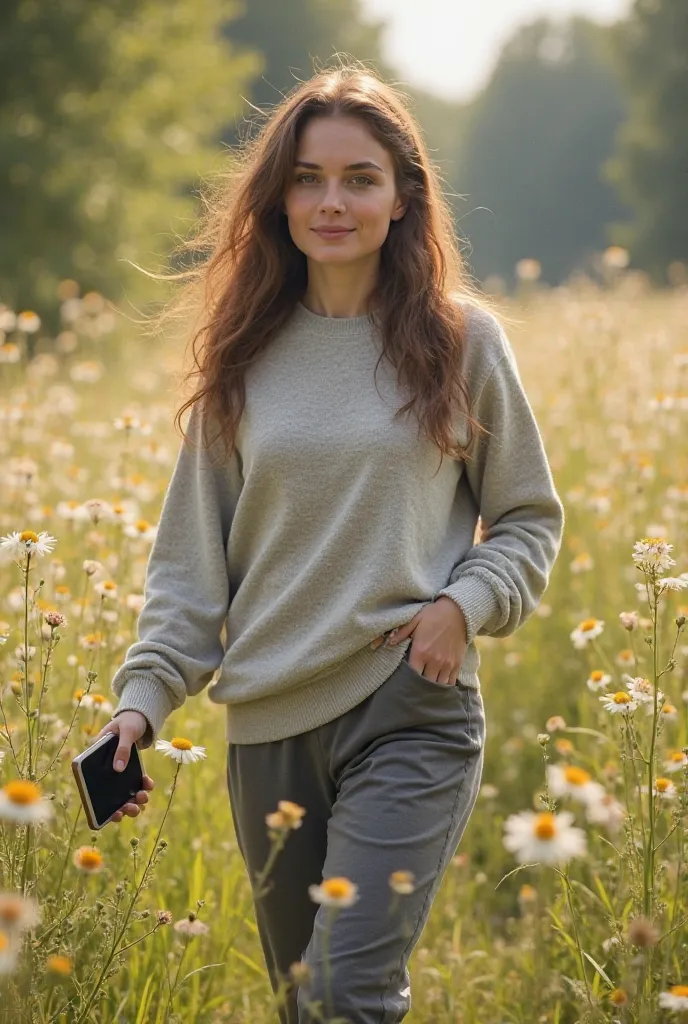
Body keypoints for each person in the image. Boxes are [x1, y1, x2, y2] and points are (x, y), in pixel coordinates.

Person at [93, 62, 565, 1024]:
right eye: (309, 177)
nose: (332, 201)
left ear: (403, 199)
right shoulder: (242, 356)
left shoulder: (462, 341)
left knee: (347, 991)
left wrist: (460, 607)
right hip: (268, 728)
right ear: (279, 197)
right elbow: (190, 569)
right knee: (304, 1001)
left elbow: (527, 517)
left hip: (409, 707)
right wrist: (138, 709)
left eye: (360, 178)